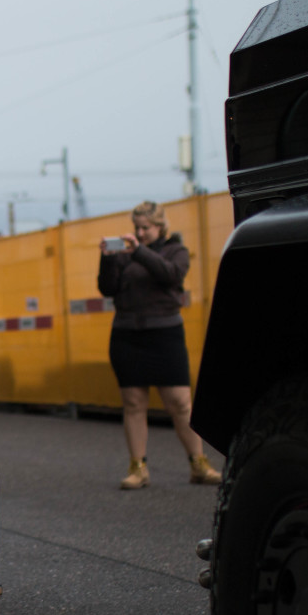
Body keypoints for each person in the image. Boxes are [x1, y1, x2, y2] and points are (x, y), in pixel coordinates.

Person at [98, 201, 222, 489]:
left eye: (146, 228)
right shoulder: (123, 255)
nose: (140, 234)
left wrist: (138, 251)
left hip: (165, 335)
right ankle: (138, 468)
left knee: (180, 403)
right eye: (137, 228)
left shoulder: (175, 250)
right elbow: (107, 288)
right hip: (127, 335)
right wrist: (106, 258)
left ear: (160, 226)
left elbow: (171, 275)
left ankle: (198, 464)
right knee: (133, 403)